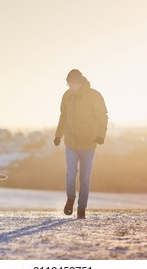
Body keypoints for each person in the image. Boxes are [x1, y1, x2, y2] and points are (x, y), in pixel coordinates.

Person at [54, 69, 108, 219]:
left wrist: (101, 135)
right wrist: (58, 135)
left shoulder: (94, 96)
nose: (70, 87)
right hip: (71, 142)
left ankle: (82, 209)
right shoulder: (67, 96)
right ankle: (70, 199)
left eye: (72, 84)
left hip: (89, 144)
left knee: (84, 178)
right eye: (68, 84)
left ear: (80, 82)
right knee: (70, 174)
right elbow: (63, 117)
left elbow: (103, 117)